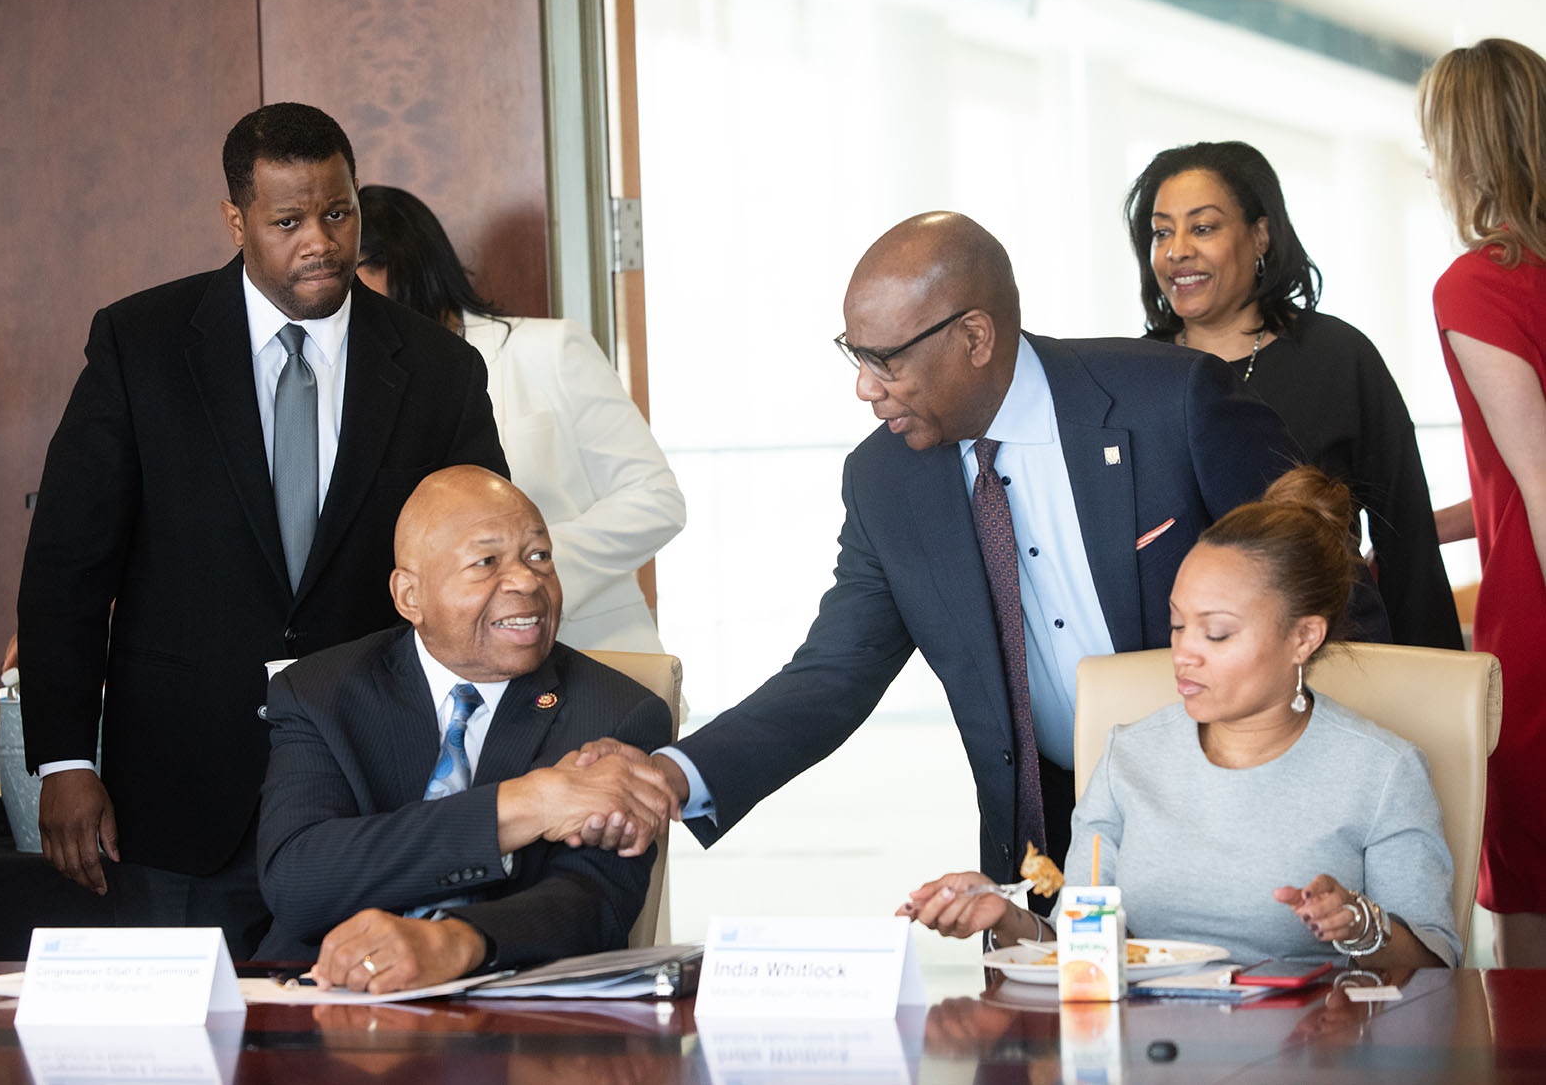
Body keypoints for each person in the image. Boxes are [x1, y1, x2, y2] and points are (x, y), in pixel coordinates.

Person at [579, 212, 1301, 891]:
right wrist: (676, 772)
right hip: (1044, 851)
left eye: (884, 360)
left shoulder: (1170, 401)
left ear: (976, 338)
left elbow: (1321, 586)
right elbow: (835, 672)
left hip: (1235, 806)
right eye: (854, 356)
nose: (865, 387)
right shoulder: (885, 480)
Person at [16, 103, 508, 957]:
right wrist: (65, 762)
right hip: (176, 792)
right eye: (287, 221)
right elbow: (68, 565)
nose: (319, 240)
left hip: (371, 792)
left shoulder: (439, 371)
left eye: (338, 212)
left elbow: (483, 570)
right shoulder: (141, 345)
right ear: (235, 220)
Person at [899, 467, 1461, 971]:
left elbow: (1438, 969)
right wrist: (1005, 919)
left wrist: (1363, 926)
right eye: (1177, 626)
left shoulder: (1381, 771)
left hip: (1309, 1050)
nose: (1185, 653)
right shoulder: (1130, 755)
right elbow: (1085, 945)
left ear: (1303, 637)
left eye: (1215, 633)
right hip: (1148, 1050)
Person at [256, 467, 674, 991]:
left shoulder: (617, 711)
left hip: (505, 1010)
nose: (527, 580)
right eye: (486, 562)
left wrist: (455, 942)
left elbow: (593, 904)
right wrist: (524, 805)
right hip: (319, 992)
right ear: (410, 596)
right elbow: (299, 878)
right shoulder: (320, 691)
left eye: (539, 556)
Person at [1124, 140, 1460, 651]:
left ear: (1260, 235)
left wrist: (1431, 692)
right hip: (1178, 670)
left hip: (1325, 660)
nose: (1176, 251)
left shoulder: (1339, 357)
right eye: (1161, 232)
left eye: (1204, 227)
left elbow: (1407, 542)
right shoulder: (1131, 376)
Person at [356, 185, 686, 653]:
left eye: (352, 275)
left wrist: (530, 566)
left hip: (590, 653)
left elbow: (657, 501)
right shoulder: (368, 389)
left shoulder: (548, 350)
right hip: (448, 673)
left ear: (401, 263)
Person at [1420, 36, 1546, 967]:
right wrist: (1435, 530)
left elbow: (1540, 481)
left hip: (1538, 615)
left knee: (1532, 905)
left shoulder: (1479, 281)